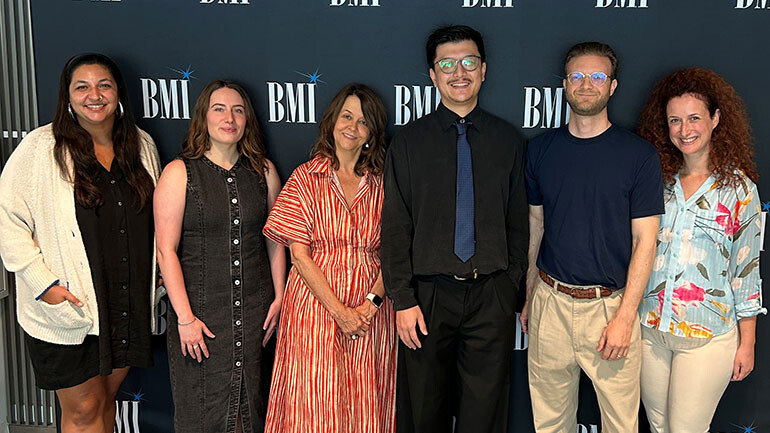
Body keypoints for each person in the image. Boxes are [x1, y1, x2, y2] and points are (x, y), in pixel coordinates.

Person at [0, 53, 160, 432]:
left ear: (118, 92)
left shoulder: (141, 144)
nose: (94, 95)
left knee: (105, 400)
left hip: (123, 300)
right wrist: (44, 285)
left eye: (104, 85)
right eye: (82, 87)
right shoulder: (41, 147)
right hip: (71, 304)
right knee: (84, 409)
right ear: (67, 96)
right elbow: (6, 219)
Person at [382, 25, 528, 433]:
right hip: (426, 297)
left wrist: (509, 286)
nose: (458, 72)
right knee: (422, 410)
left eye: (468, 62)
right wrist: (403, 299)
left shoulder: (508, 141)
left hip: (491, 294)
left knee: (484, 413)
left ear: (483, 70)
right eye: (447, 64)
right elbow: (395, 226)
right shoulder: (408, 143)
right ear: (433, 74)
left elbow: (519, 222)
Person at [521, 42, 663, 433]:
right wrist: (531, 295)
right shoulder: (540, 151)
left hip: (609, 308)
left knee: (620, 423)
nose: (586, 84)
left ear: (612, 86)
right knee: (549, 421)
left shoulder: (639, 156)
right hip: (550, 301)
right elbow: (537, 228)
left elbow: (645, 243)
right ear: (564, 84)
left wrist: (624, 317)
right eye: (577, 76)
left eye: (597, 76)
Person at [636, 67, 765, 432]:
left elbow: (746, 271)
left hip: (707, 337)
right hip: (649, 331)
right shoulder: (655, 180)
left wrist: (748, 342)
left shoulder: (739, 190)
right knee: (659, 426)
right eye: (674, 120)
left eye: (694, 118)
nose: (684, 129)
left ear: (716, 119)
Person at [262, 83, 395, 433]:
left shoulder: (385, 184)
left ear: (372, 134)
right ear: (332, 121)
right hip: (315, 309)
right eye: (346, 116)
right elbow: (299, 255)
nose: (352, 126)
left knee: (368, 400)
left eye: (363, 121)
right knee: (315, 403)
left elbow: (396, 250)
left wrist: (369, 307)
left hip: (372, 313)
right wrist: (340, 312)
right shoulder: (305, 178)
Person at [154, 79, 285, 433]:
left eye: (238, 110)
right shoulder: (179, 173)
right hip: (201, 320)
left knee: (251, 414)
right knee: (203, 416)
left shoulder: (265, 171)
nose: (230, 117)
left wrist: (281, 297)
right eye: (219, 109)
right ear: (203, 118)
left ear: (247, 120)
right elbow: (165, 250)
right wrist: (184, 318)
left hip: (257, 314)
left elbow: (275, 240)